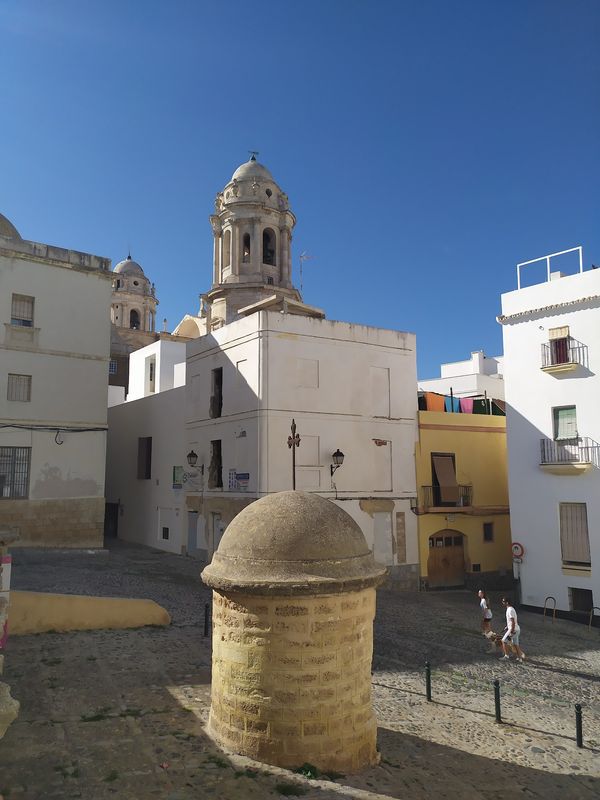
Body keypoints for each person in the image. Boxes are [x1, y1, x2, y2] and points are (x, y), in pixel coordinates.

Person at [500, 597, 525, 662]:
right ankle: (520, 659)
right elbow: (511, 621)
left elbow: (513, 621)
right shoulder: (511, 609)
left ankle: (506, 656)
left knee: (504, 641)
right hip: (516, 629)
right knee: (515, 644)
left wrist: (511, 631)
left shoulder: (510, 610)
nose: (502, 602)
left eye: (503, 601)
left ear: (507, 602)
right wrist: (507, 626)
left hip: (513, 630)